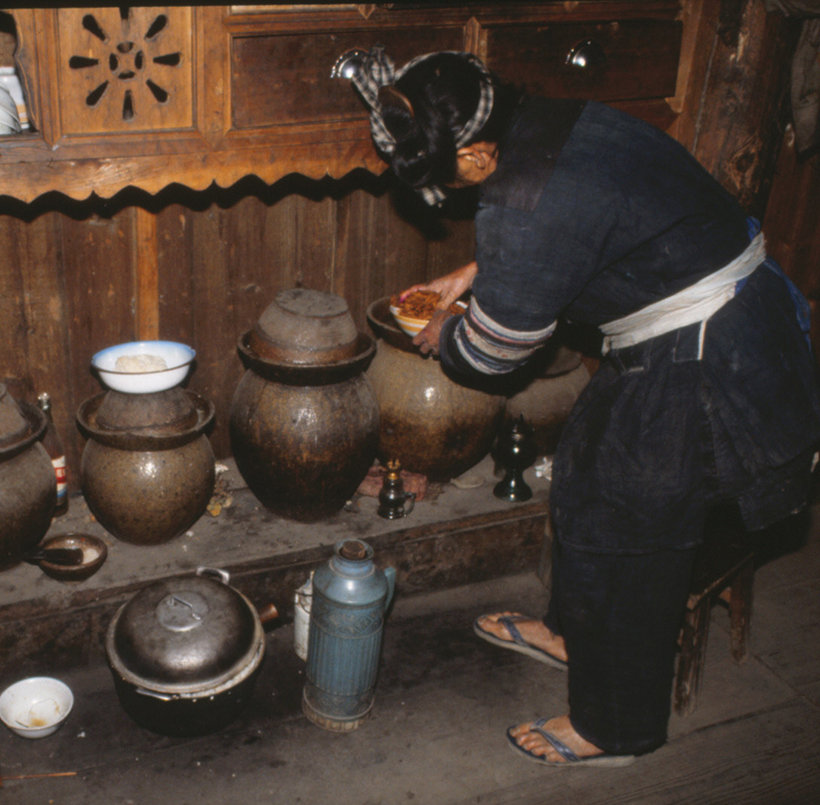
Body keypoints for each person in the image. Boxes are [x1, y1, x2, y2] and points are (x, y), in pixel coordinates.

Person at [336, 46, 820, 766]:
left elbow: (497, 353)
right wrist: (475, 272)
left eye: (446, 174)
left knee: (632, 525)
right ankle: (573, 636)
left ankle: (616, 726)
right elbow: (588, 218)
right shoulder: (550, 119)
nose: (448, 190)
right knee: (585, 477)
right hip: (694, 320)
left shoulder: (521, 203)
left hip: (713, 355)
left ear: (474, 155)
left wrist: (446, 334)